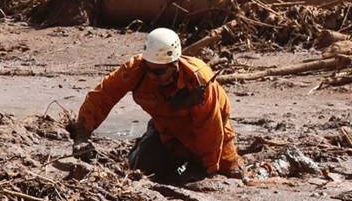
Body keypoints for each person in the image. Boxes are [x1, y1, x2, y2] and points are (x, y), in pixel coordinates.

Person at [69, 28, 244, 182]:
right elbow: (103, 96)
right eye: (149, 68)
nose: (152, 76)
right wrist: (82, 135)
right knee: (141, 168)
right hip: (166, 131)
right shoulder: (135, 70)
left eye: (159, 71)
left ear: (175, 64)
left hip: (209, 133)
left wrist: (208, 170)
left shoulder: (198, 81)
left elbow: (210, 129)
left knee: (229, 176)